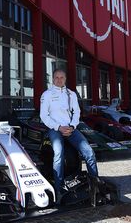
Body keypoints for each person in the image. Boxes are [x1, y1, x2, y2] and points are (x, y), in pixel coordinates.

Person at [40, 69, 98, 201]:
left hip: (70, 129)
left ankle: (95, 184)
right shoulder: (46, 95)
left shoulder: (71, 94)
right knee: (59, 153)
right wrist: (58, 127)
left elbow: (76, 112)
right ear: (53, 79)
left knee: (89, 152)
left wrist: (72, 126)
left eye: (61, 77)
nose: (59, 80)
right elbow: (44, 116)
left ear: (65, 79)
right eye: (56, 77)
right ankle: (59, 189)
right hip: (54, 129)